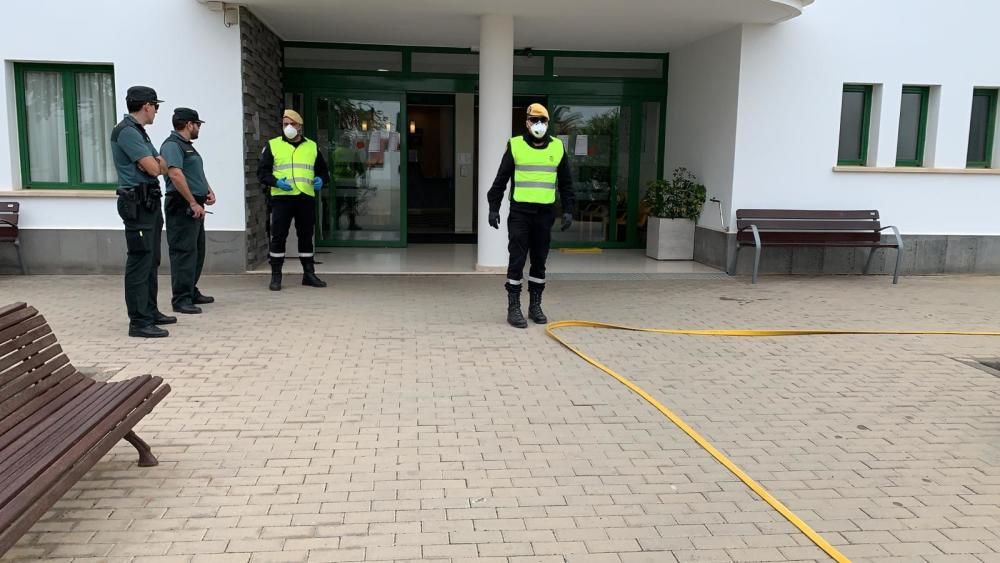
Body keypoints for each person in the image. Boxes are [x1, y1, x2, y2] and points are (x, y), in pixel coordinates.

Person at [487, 103, 575, 328]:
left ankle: (535, 305)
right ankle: (513, 307)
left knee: (539, 261)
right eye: (534, 120)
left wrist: (568, 210)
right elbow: (501, 178)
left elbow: (566, 183)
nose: (538, 125)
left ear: (548, 123)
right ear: (526, 122)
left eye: (543, 121)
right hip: (520, 214)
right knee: (516, 259)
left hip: (545, 215)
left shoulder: (557, 147)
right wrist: (493, 207)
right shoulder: (515, 145)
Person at [110, 86, 175, 338]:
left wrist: (156, 163)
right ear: (146, 106)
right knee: (140, 260)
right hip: (136, 203)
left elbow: (162, 164)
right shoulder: (127, 132)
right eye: (155, 106)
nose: (157, 111)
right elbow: (154, 167)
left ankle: (150, 310)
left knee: (151, 259)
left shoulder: (138, 132)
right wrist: (154, 163)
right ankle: (138, 321)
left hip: (148, 202)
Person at [257, 109, 331, 291]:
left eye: (292, 124)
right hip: (282, 198)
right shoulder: (273, 145)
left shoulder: (312, 146)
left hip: (305, 197)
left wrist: (321, 179)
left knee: (306, 236)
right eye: (285, 124)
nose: (288, 127)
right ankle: (276, 276)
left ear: (300, 126)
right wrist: (275, 182)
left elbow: (323, 170)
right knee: (278, 236)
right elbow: (262, 173)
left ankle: (309, 274)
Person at [161, 107, 216, 315]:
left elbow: (195, 172)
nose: (199, 128)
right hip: (181, 204)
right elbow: (176, 175)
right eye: (198, 124)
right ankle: (181, 298)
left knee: (196, 251)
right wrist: (193, 202)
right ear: (188, 124)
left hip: (195, 203)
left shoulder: (187, 146)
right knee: (184, 252)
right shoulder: (173, 145)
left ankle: (191, 290)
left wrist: (207, 190)